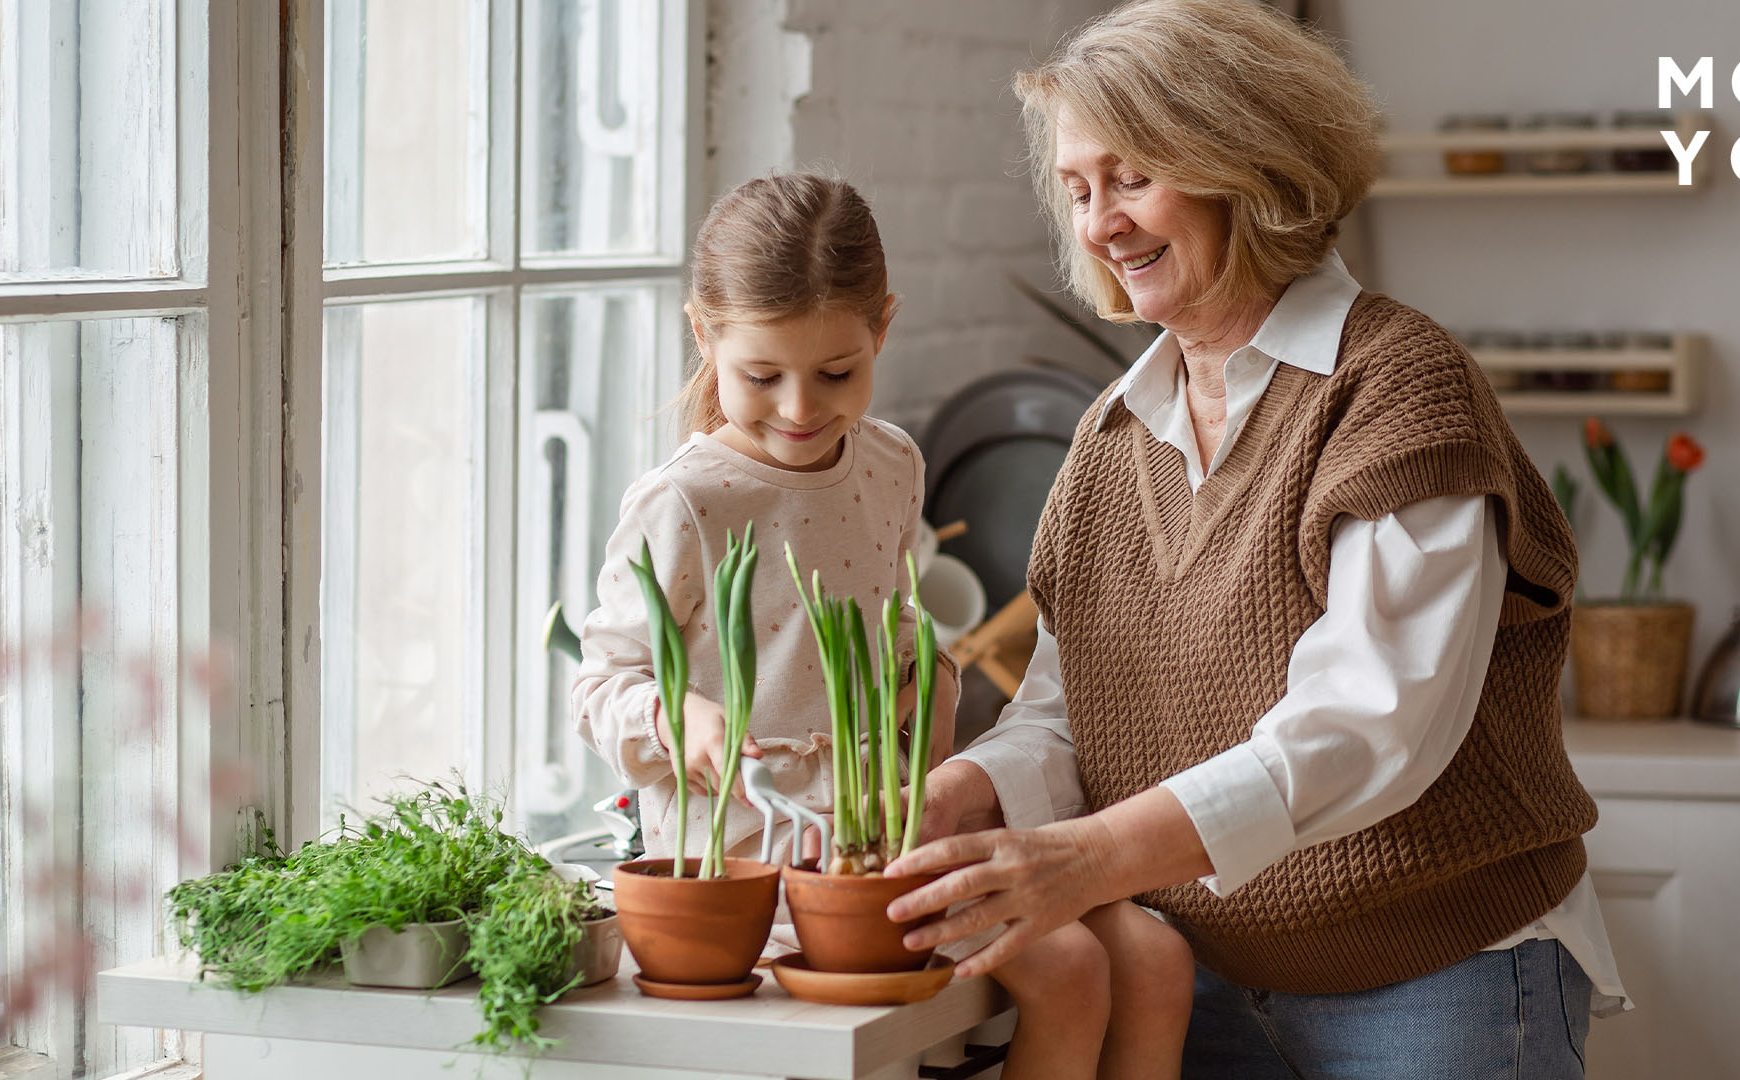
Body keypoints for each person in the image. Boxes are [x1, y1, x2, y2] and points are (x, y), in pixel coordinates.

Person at [884, 3, 1632, 1078]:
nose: (1102, 225)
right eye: (1079, 190)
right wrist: (972, 792)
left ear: (1246, 162)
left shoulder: (1396, 391)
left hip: (1435, 982)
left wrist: (1084, 858)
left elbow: (1369, 729)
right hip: (1201, 977)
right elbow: (1068, 712)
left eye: (1134, 177)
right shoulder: (1111, 439)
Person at [573, 172, 1186, 1080]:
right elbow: (601, 683)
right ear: (704, 334)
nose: (799, 409)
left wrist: (921, 692)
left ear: (882, 331)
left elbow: (897, 635)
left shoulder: (890, 462)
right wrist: (684, 720)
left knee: (1156, 957)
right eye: (761, 375)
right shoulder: (686, 502)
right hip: (750, 861)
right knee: (1068, 968)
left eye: (836, 373)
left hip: (883, 837)